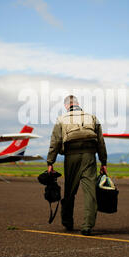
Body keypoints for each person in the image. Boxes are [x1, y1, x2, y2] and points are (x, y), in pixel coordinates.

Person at [47, 95, 108, 236]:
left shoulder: (61, 119)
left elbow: (55, 142)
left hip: (71, 157)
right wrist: (103, 162)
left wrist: (50, 162)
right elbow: (100, 142)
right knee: (90, 192)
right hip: (89, 156)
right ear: (78, 104)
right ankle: (87, 226)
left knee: (70, 191)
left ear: (66, 106)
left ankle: (68, 222)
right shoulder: (92, 117)